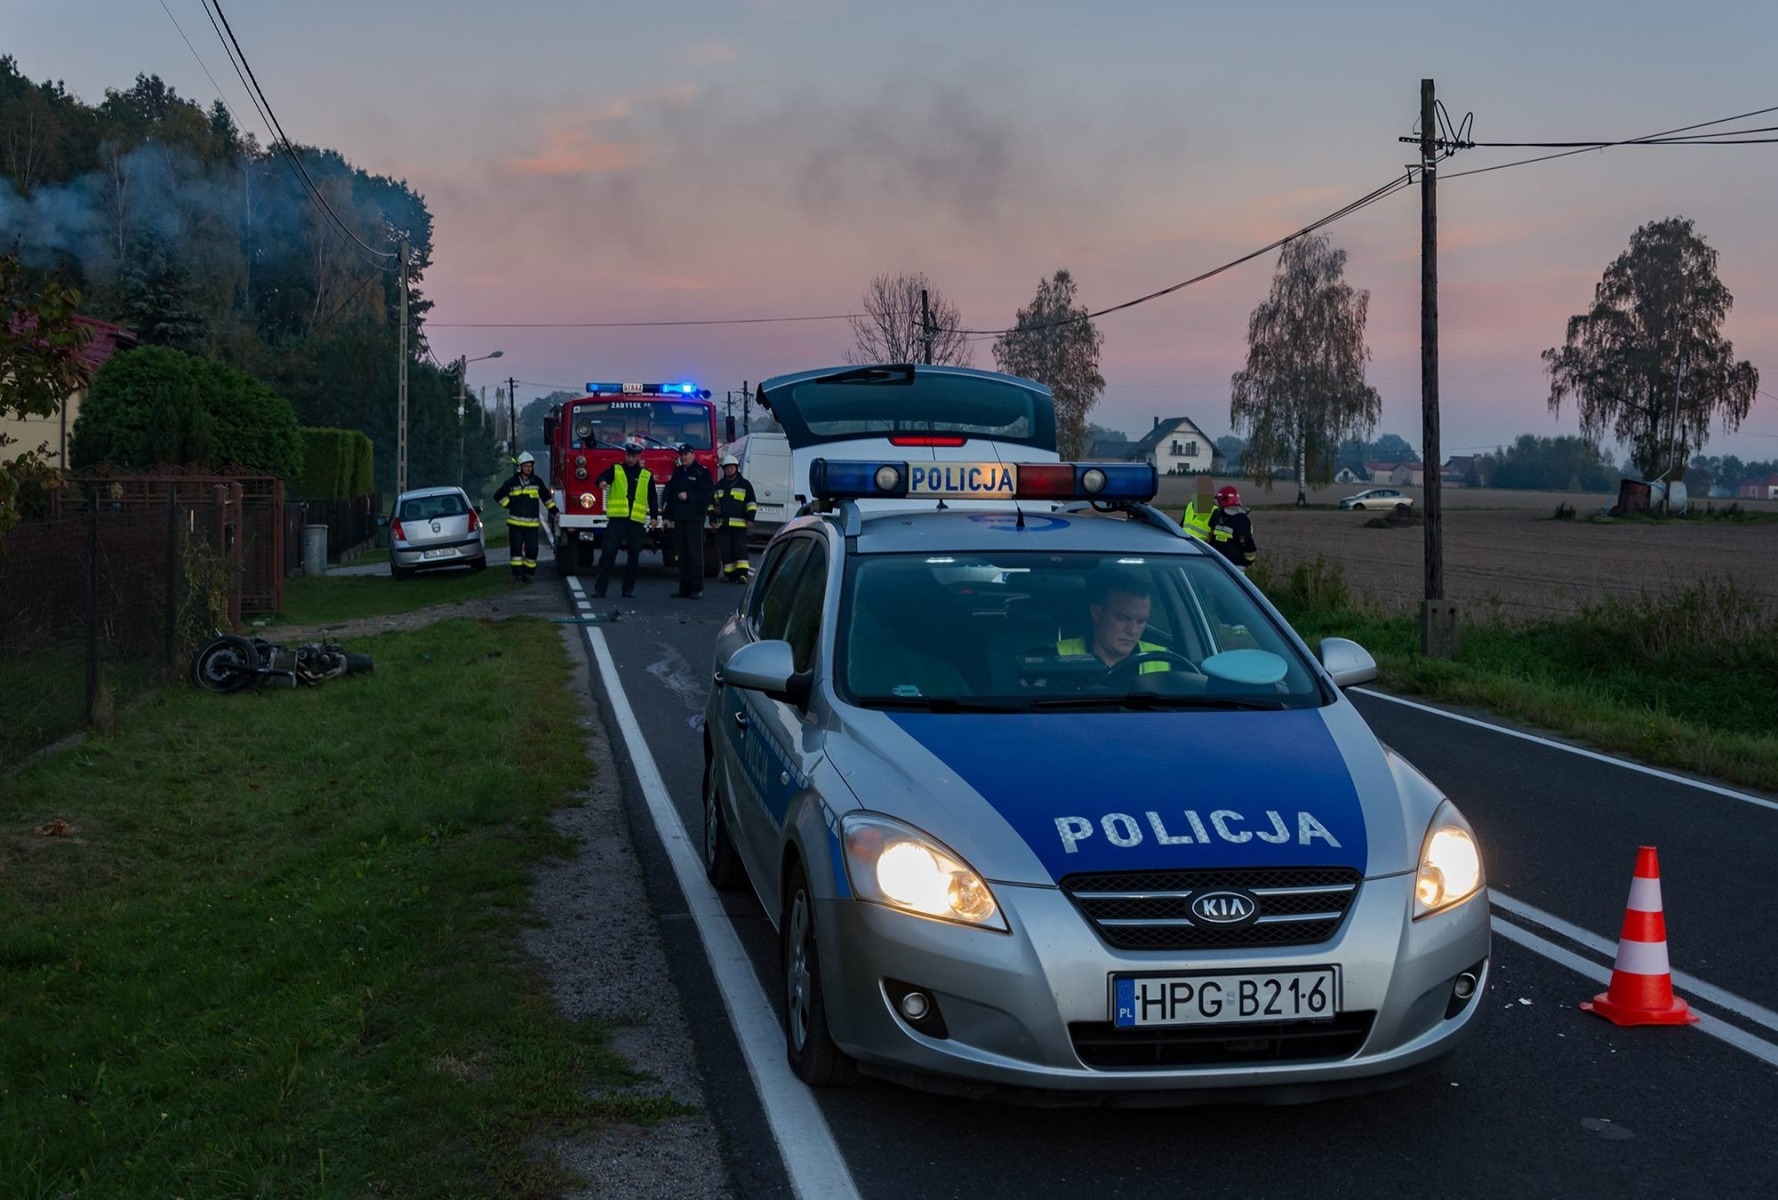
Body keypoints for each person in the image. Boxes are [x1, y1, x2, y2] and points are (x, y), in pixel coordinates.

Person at [1057, 569, 1171, 675]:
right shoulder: (1057, 656)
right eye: (1122, 618)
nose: (1132, 630)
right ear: (1096, 613)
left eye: (1141, 621)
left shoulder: (1164, 659)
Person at [592, 439, 659, 599]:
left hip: (636, 521)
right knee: (608, 554)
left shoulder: (646, 475)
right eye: (629, 455)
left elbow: (653, 497)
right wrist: (601, 482)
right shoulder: (616, 469)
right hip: (617, 520)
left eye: (634, 456)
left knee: (634, 557)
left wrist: (654, 517)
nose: (630, 459)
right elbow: (600, 478)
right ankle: (600, 590)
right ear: (625, 455)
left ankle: (628, 590)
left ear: (639, 457)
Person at [493, 450, 558, 583]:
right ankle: (517, 575)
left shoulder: (537, 481)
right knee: (516, 550)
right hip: (515, 524)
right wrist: (509, 505)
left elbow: (547, 500)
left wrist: (556, 512)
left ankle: (529, 574)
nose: (528, 468)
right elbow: (497, 496)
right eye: (526, 466)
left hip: (532, 525)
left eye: (530, 466)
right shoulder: (511, 482)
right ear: (520, 467)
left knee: (532, 550)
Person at [663, 442, 714, 598]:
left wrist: (689, 496)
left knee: (695, 555)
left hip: (694, 519)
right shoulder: (677, 473)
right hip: (679, 519)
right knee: (682, 555)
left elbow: (708, 495)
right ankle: (684, 588)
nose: (683, 457)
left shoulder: (701, 472)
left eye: (686, 455)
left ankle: (696, 588)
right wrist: (666, 517)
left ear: (693, 455)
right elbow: (669, 495)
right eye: (681, 455)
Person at [710, 454, 758, 583]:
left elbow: (751, 503)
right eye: (727, 468)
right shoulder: (719, 486)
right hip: (723, 525)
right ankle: (729, 574)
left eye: (732, 468)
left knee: (740, 549)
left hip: (740, 524)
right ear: (724, 470)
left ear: (736, 468)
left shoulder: (745, 485)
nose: (729, 470)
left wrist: (750, 519)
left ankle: (742, 575)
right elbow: (712, 504)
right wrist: (712, 520)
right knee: (726, 550)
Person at [1207, 485, 1258, 570]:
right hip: (1219, 566)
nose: (1218, 504)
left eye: (1219, 501)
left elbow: (1247, 544)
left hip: (1234, 569)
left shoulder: (1240, 520)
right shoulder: (1219, 517)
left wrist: (1248, 561)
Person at [1180, 475, 1216, 542]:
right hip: (1185, 543)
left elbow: (1215, 537)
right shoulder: (1190, 505)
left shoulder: (1214, 510)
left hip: (1200, 547)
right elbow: (1181, 526)